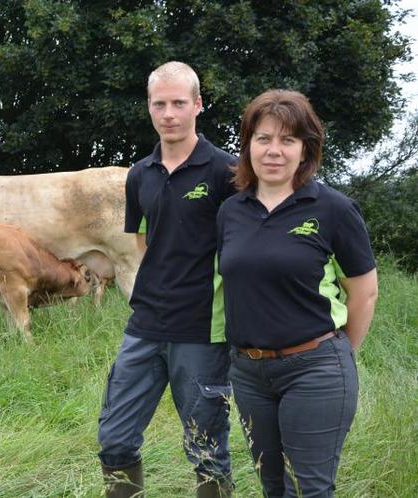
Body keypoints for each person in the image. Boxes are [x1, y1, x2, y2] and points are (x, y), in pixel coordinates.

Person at [216, 89, 378, 497]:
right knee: (273, 486)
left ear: (306, 149)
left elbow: (364, 291)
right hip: (249, 373)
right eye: (263, 138)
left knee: (312, 488)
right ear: (248, 145)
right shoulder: (230, 211)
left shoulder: (334, 210)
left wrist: (336, 355)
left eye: (287, 140)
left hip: (315, 369)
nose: (274, 150)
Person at [97, 61, 236, 498]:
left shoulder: (226, 172)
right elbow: (144, 243)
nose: (169, 113)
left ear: (198, 105)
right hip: (145, 325)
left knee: (206, 446)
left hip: (202, 329)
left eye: (179, 103)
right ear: (150, 108)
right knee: (114, 439)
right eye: (160, 104)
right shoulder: (140, 175)